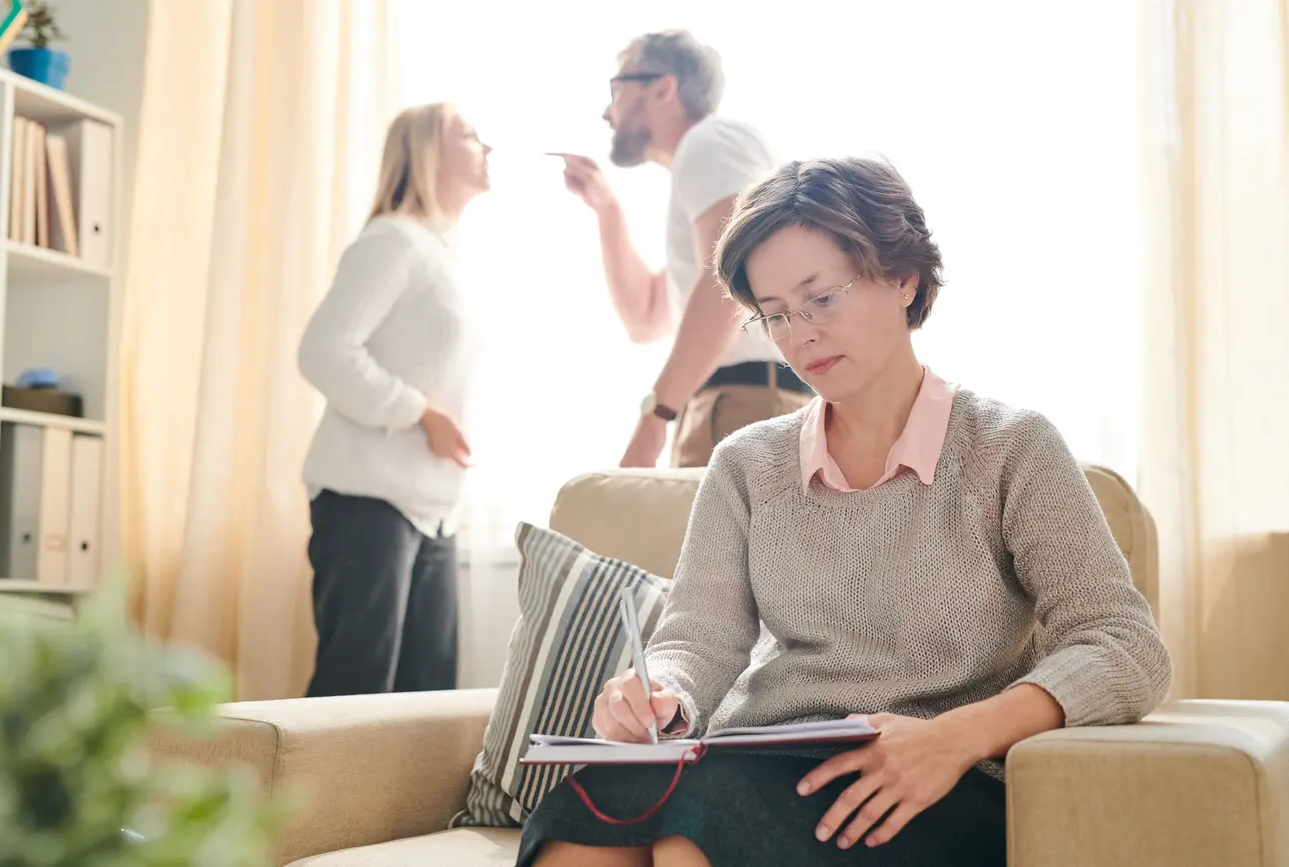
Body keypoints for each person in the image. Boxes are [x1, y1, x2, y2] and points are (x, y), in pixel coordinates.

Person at [517, 156, 1173, 866]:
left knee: (698, 822)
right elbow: (698, 639)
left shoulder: (1009, 448)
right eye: (775, 316)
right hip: (763, 759)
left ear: (903, 277)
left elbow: (1124, 642)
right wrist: (662, 694)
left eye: (822, 298)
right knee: (593, 811)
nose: (800, 335)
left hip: (934, 781)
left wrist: (959, 735)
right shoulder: (747, 465)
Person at [297, 103, 491, 698]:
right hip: (368, 503)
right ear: (427, 152)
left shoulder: (445, 257)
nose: (487, 144)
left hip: (431, 508)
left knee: (423, 702)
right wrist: (418, 413)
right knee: (352, 694)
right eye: (469, 132)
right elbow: (323, 351)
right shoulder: (393, 242)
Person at [555, 29, 812, 469]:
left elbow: (728, 286)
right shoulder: (706, 161)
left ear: (663, 88)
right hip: (730, 400)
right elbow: (646, 317)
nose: (605, 111)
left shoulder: (709, 143)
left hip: (742, 402)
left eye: (616, 89)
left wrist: (655, 417)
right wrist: (608, 211)